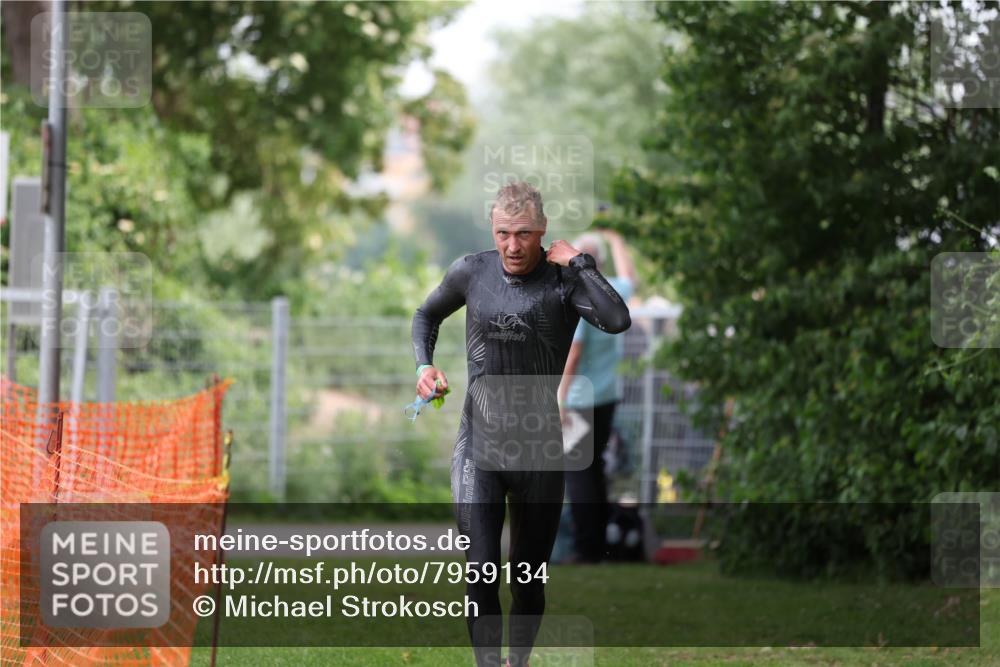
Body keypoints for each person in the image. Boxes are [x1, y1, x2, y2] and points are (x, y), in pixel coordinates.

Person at [411, 181, 631, 667]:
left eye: (525, 234)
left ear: (543, 231)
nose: (513, 245)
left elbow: (617, 320)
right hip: (478, 445)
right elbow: (426, 315)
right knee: (480, 572)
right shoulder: (472, 271)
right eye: (504, 233)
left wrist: (580, 262)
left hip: (539, 450)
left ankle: (519, 661)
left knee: (527, 582)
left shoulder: (565, 282)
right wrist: (424, 367)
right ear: (493, 228)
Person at [557, 230, 637, 563]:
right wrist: (616, 238)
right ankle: (598, 545)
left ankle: (586, 549)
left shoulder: (582, 298)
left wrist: (557, 399)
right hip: (606, 397)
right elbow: (630, 277)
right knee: (595, 471)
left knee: (579, 474)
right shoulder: (613, 292)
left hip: (577, 400)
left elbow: (573, 354)